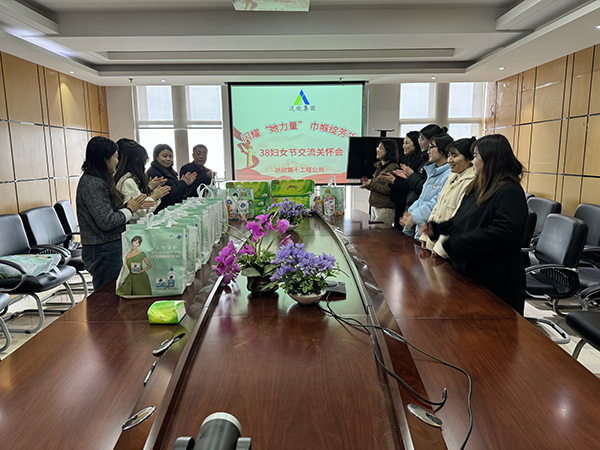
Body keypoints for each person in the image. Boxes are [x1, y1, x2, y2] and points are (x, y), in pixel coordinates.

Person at [420, 134, 528, 314]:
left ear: (490, 159)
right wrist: (438, 229)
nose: (472, 161)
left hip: (496, 276)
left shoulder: (509, 190)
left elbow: (505, 232)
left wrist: (460, 243)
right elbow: (461, 218)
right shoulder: (479, 186)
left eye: (476, 156)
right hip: (471, 269)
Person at [76, 136, 149, 290]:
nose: (117, 161)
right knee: (107, 296)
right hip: (102, 250)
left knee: (114, 292)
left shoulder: (99, 180)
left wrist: (129, 206)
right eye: (115, 157)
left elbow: (108, 210)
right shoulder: (93, 184)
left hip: (108, 247)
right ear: (105, 159)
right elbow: (106, 221)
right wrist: (130, 209)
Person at [420, 137, 476, 257]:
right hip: (435, 245)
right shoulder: (453, 177)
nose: (449, 160)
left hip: (447, 250)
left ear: (469, 159)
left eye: (454, 156)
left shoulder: (471, 182)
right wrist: (426, 236)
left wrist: (440, 249)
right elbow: (437, 208)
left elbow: (456, 220)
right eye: (449, 155)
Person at [401, 133, 453, 239]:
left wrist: (414, 217)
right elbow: (422, 198)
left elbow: (436, 202)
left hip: (432, 230)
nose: (428, 151)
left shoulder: (449, 175)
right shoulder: (432, 171)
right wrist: (410, 214)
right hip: (419, 227)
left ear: (442, 150)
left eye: (431, 147)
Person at [114, 139, 171, 223]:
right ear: (137, 160)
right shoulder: (127, 181)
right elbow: (139, 212)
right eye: (144, 160)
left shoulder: (131, 178)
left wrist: (149, 188)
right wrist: (154, 196)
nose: (144, 164)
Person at [378, 131, 423, 228]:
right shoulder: (406, 160)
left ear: (416, 144)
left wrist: (394, 180)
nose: (403, 146)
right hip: (399, 202)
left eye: (407, 143)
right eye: (403, 143)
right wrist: (391, 180)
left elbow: (411, 186)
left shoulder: (419, 162)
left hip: (407, 203)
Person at [146, 144, 197, 213]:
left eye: (170, 156)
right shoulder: (153, 172)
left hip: (173, 210)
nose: (168, 159)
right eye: (164, 156)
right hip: (162, 212)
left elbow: (181, 194)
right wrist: (183, 183)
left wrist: (187, 185)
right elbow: (166, 196)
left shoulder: (170, 171)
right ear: (156, 157)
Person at [359, 139, 399, 225]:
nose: (377, 150)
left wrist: (371, 184)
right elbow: (378, 186)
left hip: (385, 208)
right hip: (376, 206)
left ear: (388, 151)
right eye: (378, 148)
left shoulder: (392, 167)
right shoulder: (380, 166)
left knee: (383, 232)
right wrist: (368, 185)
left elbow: (388, 189)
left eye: (381, 148)